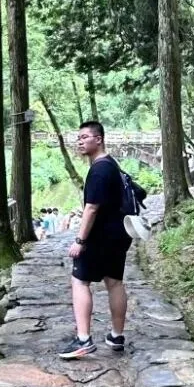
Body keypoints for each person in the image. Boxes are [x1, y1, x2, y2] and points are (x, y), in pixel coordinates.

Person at [58, 120, 130, 359]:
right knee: (115, 283)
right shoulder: (111, 165)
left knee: (79, 281)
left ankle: (83, 340)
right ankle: (116, 336)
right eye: (78, 138)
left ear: (98, 139)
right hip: (119, 233)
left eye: (85, 137)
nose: (80, 142)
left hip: (100, 236)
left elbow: (91, 208)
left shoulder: (99, 170)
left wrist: (79, 241)